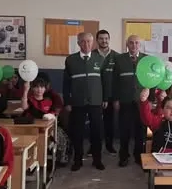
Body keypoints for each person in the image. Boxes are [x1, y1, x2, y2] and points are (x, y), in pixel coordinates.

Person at [63, 32, 106, 171]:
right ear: (78, 43)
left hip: (96, 102)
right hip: (77, 102)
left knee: (97, 132)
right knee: (77, 132)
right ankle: (77, 160)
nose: (86, 44)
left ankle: (97, 160)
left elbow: (105, 81)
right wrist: (67, 101)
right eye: (82, 41)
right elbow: (66, 83)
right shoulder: (70, 60)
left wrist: (105, 98)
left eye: (88, 41)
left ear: (93, 43)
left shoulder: (100, 59)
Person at [112, 35, 148, 167]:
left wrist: (150, 99)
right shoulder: (119, 59)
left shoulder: (146, 59)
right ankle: (124, 156)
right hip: (125, 100)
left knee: (140, 131)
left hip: (141, 101)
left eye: (136, 43)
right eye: (131, 43)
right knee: (124, 130)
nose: (134, 45)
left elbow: (152, 79)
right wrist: (115, 99)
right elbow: (115, 81)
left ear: (140, 45)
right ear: (127, 44)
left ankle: (139, 156)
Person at [92, 29, 118, 154]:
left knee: (109, 122)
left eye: (106, 38)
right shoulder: (91, 55)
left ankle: (109, 145)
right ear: (97, 40)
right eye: (101, 38)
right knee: (95, 123)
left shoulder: (117, 56)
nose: (104, 41)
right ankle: (93, 147)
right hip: (94, 96)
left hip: (111, 96)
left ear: (109, 39)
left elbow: (118, 78)